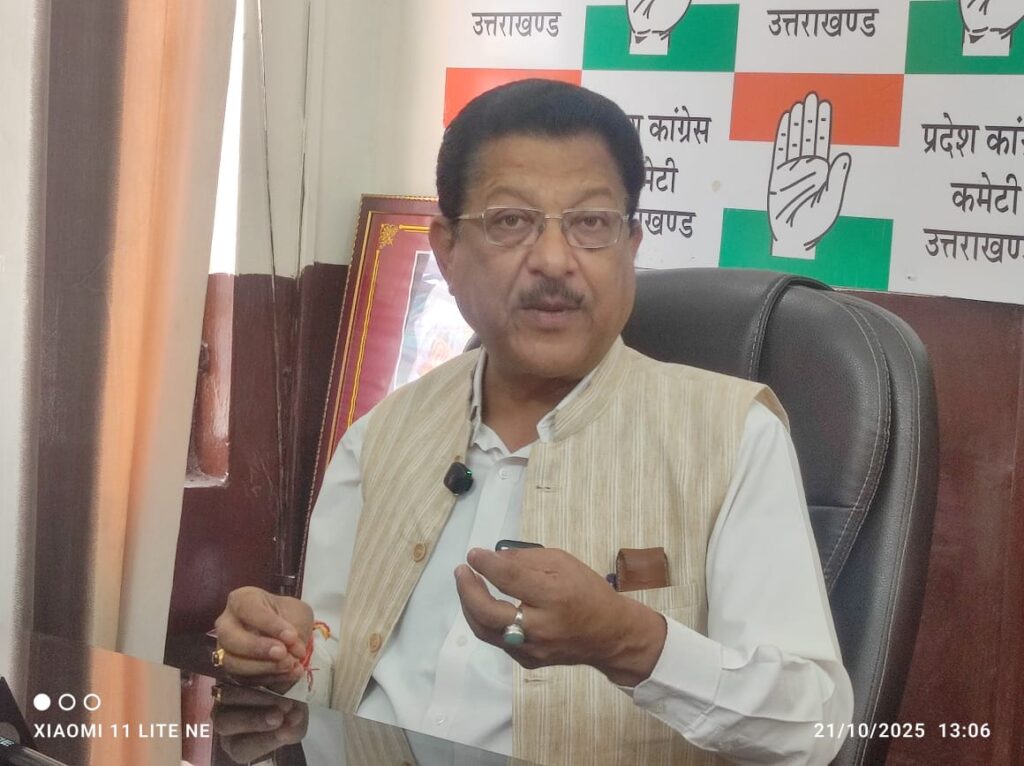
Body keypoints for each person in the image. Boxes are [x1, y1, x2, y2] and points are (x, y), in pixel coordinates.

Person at [213, 79, 853, 765]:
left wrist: (629, 641)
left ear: (632, 244)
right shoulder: (381, 435)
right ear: (448, 250)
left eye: (591, 223)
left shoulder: (734, 437)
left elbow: (812, 726)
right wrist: (279, 658)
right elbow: (334, 662)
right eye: (511, 221)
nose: (553, 260)